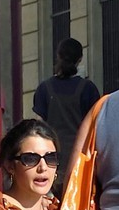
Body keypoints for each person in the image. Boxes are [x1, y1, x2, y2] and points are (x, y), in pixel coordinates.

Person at [34, 39, 103, 175]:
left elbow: (38, 127)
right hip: (79, 163)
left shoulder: (44, 89)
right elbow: (97, 129)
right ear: (80, 59)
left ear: (58, 56)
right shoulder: (88, 89)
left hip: (52, 162)